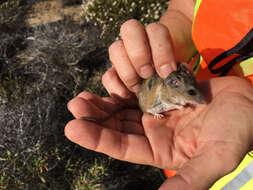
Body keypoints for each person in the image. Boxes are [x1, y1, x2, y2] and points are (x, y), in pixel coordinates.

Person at [65, 0, 253, 189]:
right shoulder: (176, 92)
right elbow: (187, 10)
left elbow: (174, 99)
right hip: (173, 146)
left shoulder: (178, 94)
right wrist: (167, 44)